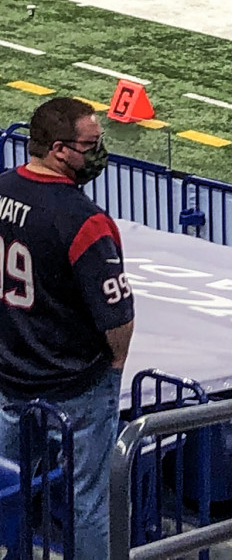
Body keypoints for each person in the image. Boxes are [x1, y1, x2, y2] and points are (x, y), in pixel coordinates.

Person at [0, 97, 135, 560]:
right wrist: (114, 367)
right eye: (91, 144)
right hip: (74, 385)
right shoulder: (84, 220)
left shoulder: (1, 191)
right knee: (90, 504)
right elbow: (117, 317)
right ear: (60, 150)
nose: (98, 152)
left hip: (10, 376)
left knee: (7, 489)